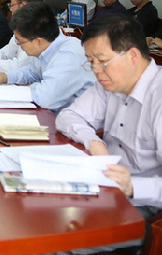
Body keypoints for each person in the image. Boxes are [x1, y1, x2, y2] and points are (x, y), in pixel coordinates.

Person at [55, 14, 162, 254]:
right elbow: (68, 116)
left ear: (133, 56)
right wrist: (93, 141)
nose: (96, 71)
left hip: (143, 206)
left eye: (102, 61)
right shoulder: (110, 83)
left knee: (57, 239)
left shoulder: (158, 97)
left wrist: (132, 185)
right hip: (102, 185)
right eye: (90, 62)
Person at [0, 1, 95, 113]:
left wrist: (30, 87)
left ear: (39, 41)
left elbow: (45, 98)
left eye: (20, 41)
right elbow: (31, 73)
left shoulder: (68, 56)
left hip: (76, 119)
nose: (18, 44)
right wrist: (5, 77)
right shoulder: (45, 46)